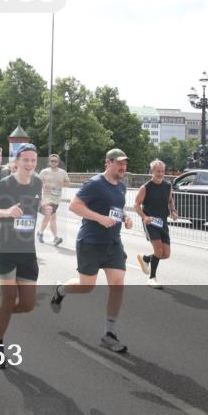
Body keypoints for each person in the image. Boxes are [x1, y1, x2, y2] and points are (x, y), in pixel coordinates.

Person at [50, 148, 134, 353]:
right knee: (86, 286)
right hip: (91, 242)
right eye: (119, 163)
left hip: (113, 243)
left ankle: (109, 333)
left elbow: (116, 209)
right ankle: (60, 291)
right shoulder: (95, 183)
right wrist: (99, 218)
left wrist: (125, 217)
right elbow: (74, 205)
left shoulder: (121, 187)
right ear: (108, 163)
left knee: (118, 283)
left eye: (125, 163)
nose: (123, 167)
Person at [0, 144, 52, 369]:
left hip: (27, 251)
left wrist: (43, 209)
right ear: (17, 161)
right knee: (9, 299)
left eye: (33, 160)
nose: (30, 164)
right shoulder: (5, 184)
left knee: (29, 304)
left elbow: (36, 200)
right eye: (26, 160)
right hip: (6, 250)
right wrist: (5, 212)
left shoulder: (38, 181)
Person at [134, 159, 178, 289]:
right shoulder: (145, 188)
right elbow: (136, 205)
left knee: (166, 254)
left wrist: (173, 211)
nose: (160, 174)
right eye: (158, 171)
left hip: (163, 222)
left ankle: (146, 259)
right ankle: (152, 278)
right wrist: (144, 217)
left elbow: (170, 201)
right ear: (152, 172)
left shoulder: (167, 185)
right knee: (158, 250)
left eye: (162, 171)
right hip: (150, 222)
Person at [37, 153, 70, 246]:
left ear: (58, 162)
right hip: (46, 198)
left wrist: (61, 184)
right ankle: (41, 233)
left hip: (56, 199)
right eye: (52, 161)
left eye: (55, 161)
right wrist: (45, 185)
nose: (53, 162)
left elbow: (68, 183)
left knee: (53, 218)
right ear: (49, 162)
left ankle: (54, 237)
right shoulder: (44, 172)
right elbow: (37, 184)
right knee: (48, 214)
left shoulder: (62, 172)